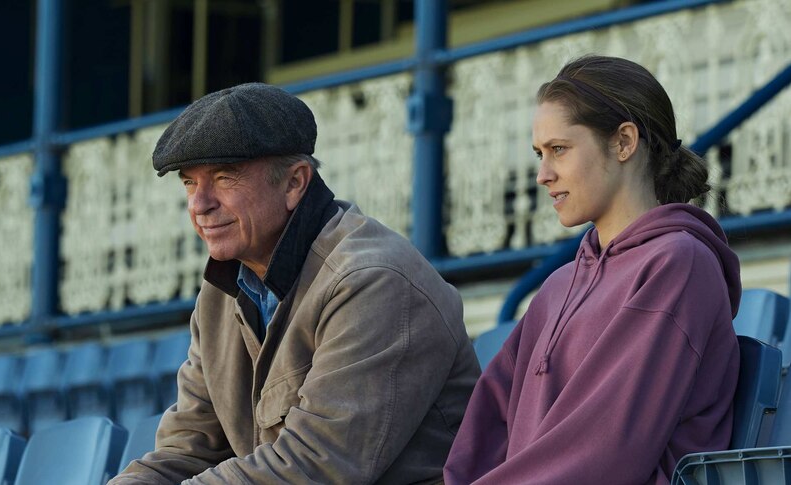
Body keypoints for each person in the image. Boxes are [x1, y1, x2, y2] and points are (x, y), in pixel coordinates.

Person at [109, 82, 481, 484]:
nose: (200, 204)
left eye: (223, 177)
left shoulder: (371, 280)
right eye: (189, 183)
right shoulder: (221, 292)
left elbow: (316, 465)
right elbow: (186, 449)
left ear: (294, 183)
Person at [444, 55, 741, 484]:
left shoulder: (678, 265)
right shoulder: (557, 287)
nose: (543, 174)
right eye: (538, 154)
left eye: (558, 150)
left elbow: (606, 454)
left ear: (623, 142)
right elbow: (488, 423)